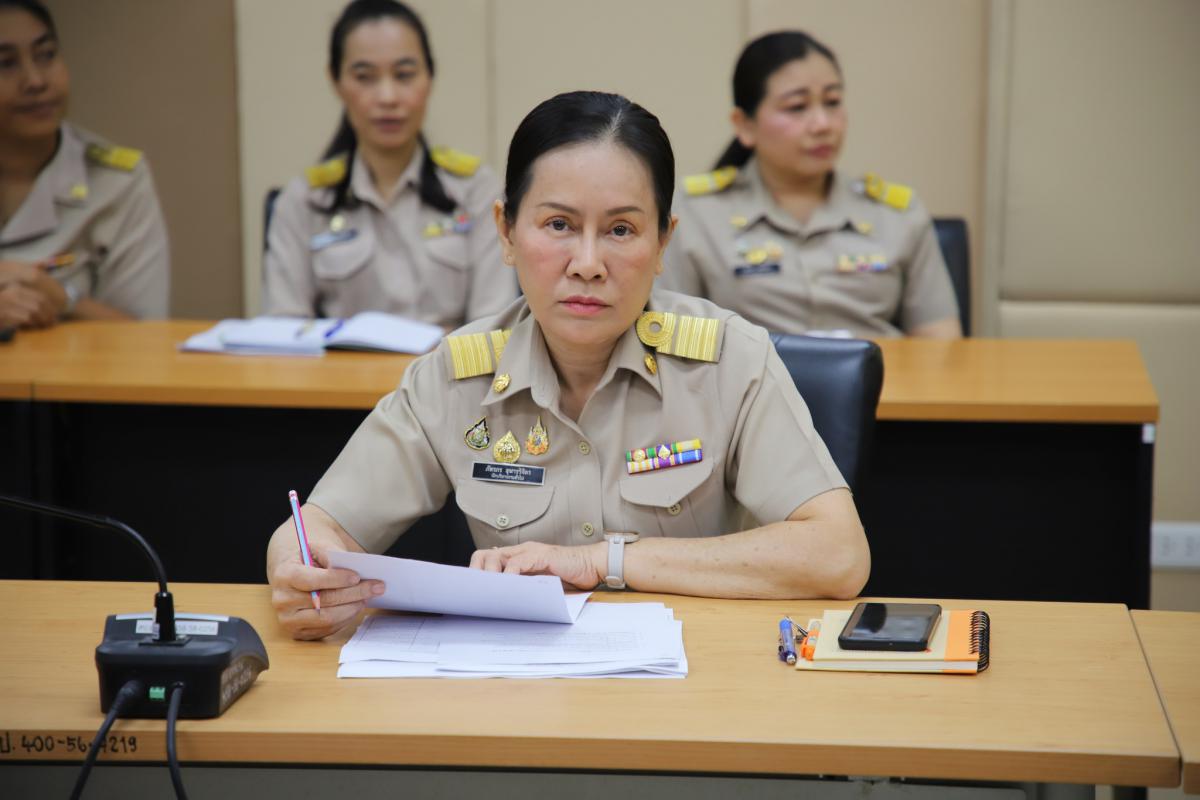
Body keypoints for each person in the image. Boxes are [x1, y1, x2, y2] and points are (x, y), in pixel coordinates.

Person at [266, 90, 870, 640]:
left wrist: (602, 562)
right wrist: (298, 568)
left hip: (693, 685)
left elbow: (838, 554)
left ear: (663, 242)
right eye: (558, 225)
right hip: (520, 693)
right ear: (506, 232)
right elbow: (317, 527)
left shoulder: (729, 361)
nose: (587, 263)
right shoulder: (457, 376)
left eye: (621, 230)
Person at [660, 31, 961, 339]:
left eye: (832, 102)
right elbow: (673, 337)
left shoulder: (897, 214)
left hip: (883, 370)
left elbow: (941, 342)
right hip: (749, 371)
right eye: (797, 106)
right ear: (745, 125)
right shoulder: (695, 213)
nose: (822, 124)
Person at [261, 0, 513, 326]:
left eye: (404, 75)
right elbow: (285, 329)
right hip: (338, 362)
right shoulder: (303, 202)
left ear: (430, 77)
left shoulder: (476, 191)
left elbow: (492, 326)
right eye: (365, 77)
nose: (387, 97)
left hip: (450, 361)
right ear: (335, 82)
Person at [0, 0, 169, 329]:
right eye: (5, 63)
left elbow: (148, 337)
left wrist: (64, 299)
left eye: (46, 55)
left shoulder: (116, 182)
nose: (35, 81)